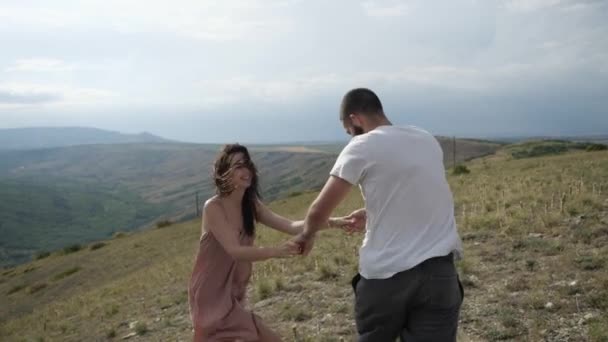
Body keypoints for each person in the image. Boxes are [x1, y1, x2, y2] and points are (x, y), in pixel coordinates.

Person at [293, 88, 465, 341]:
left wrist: (307, 235)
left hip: (387, 275)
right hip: (441, 273)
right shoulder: (425, 138)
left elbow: (319, 210)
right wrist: (372, 211)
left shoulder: (362, 145)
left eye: (348, 130)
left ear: (355, 119)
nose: (350, 136)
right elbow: (419, 192)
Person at [189, 143, 349, 342]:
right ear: (224, 172)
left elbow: (291, 225)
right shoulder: (213, 207)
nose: (246, 170)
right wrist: (277, 251)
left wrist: (337, 222)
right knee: (259, 332)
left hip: (234, 289)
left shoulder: (251, 206)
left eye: (247, 164)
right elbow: (235, 251)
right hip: (211, 293)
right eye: (238, 166)